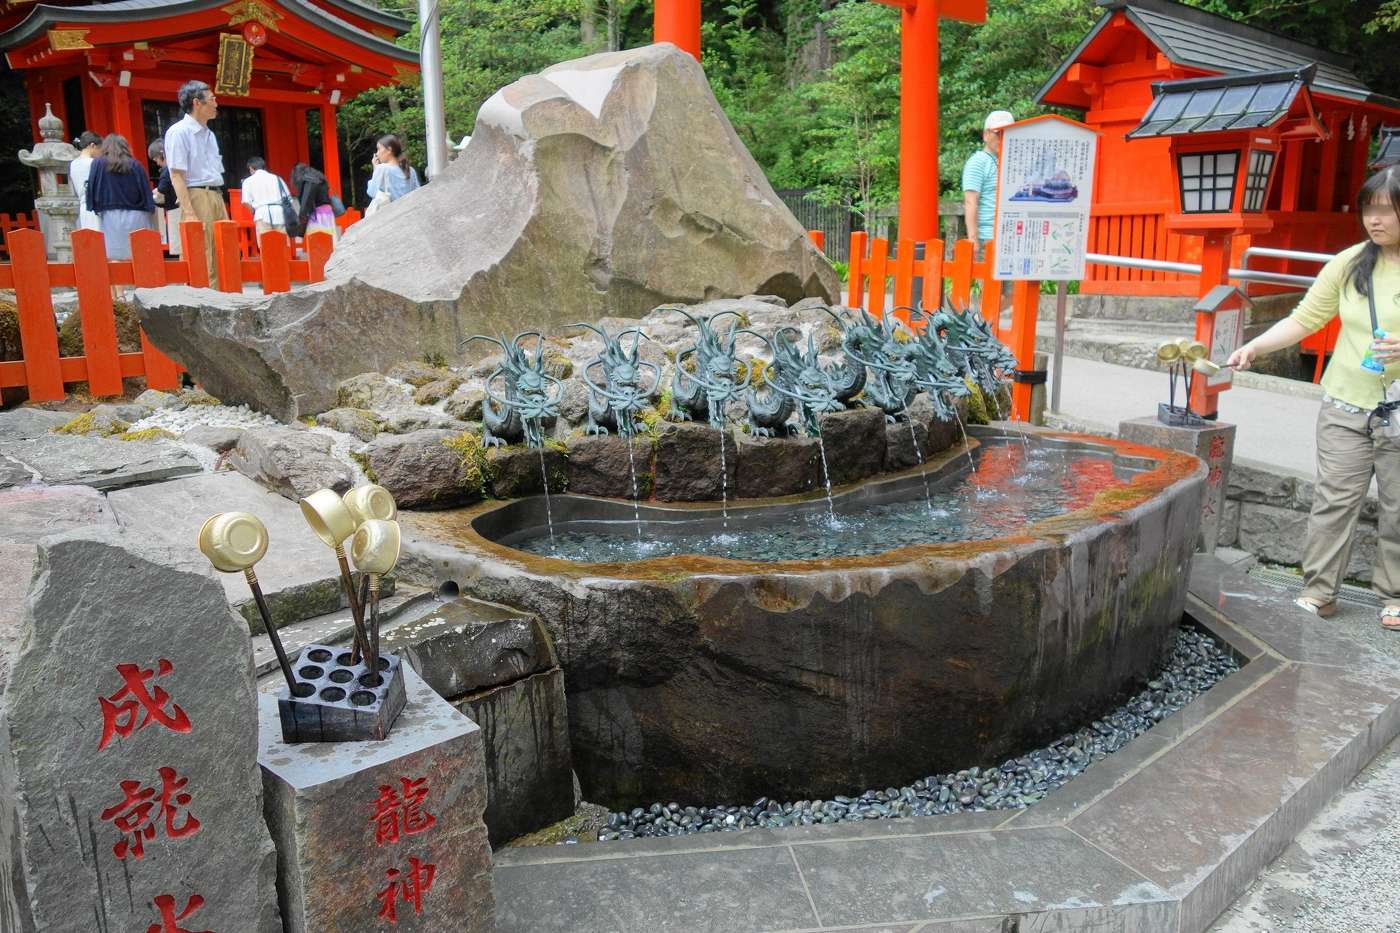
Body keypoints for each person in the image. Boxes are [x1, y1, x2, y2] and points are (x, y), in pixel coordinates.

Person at [1227, 166, 1400, 630]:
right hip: (1345, 404)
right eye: (1369, 208)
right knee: (1333, 502)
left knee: (1399, 506)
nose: (1374, 219)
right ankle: (1319, 592)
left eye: (1387, 209)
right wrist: (1256, 347)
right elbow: (1305, 319)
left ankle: (1395, 596)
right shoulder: (1350, 263)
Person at [164, 79, 228, 287]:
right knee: (202, 252)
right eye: (212, 99)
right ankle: (203, 298)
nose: (216, 103)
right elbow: (176, 174)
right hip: (197, 194)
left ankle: (222, 297)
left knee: (222, 251)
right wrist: (189, 211)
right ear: (196, 103)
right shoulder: (179, 132)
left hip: (215, 193)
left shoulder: (210, 134)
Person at [84, 133, 155, 260]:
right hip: (137, 213)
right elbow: (145, 190)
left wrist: (93, 206)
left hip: (109, 214)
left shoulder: (98, 164)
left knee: (114, 254)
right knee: (137, 254)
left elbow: (92, 186)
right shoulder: (136, 165)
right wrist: (150, 209)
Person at [962, 110, 1014, 257]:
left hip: (1011, 238)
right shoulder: (978, 162)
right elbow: (970, 201)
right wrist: (973, 240)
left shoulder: (1010, 161)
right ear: (986, 135)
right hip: (988, 239)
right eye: (998, 133)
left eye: (1007, 133)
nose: (1002, 138)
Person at [239, 156, 291, 237]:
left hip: (261, 214)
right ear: (264, 167)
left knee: (265, 242)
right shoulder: (277, 178)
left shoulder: (248, 181)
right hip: (279, 214)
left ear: (251, 168)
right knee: (282, 242)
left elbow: (245, 201)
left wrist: (253, 210)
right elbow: (289, 199)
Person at [366, 134, 420, 206]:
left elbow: (372, 192)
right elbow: (418, 192)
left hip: (391, 212)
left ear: (389, 150)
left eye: (379, 149)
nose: (377, 154)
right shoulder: (410, 170)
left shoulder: (382, 168)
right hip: (409, 209)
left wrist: (375, 169)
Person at [290, 162, 338, 243]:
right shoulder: (319, 177)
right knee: (330, 241)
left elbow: (305, 205)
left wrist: (300, 231)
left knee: (317, 242)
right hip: (328, 212)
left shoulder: (309, 181)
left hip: (317, 215)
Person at [69, 131, 102, 232]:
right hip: (97, 207)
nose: (100, 153)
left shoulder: (72, 164)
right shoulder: (94, 163)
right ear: (92, 145)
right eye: (99, 149)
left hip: (83, 208)